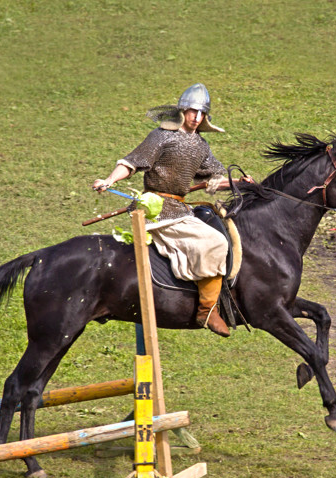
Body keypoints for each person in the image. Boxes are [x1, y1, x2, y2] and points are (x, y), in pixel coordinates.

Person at [92, 83, 237, 337]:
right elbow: (131, 163)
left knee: (214, 233)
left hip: (180, 210)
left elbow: (217, 174)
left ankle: (205, 303)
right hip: (157, 211)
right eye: (194, 111)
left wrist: (233, 182)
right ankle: (207, 310)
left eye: (202, 114)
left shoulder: (200, 146)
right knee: (215, 241)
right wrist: (109, 180)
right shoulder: (161, 136)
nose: (197, 118)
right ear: (183, 110)